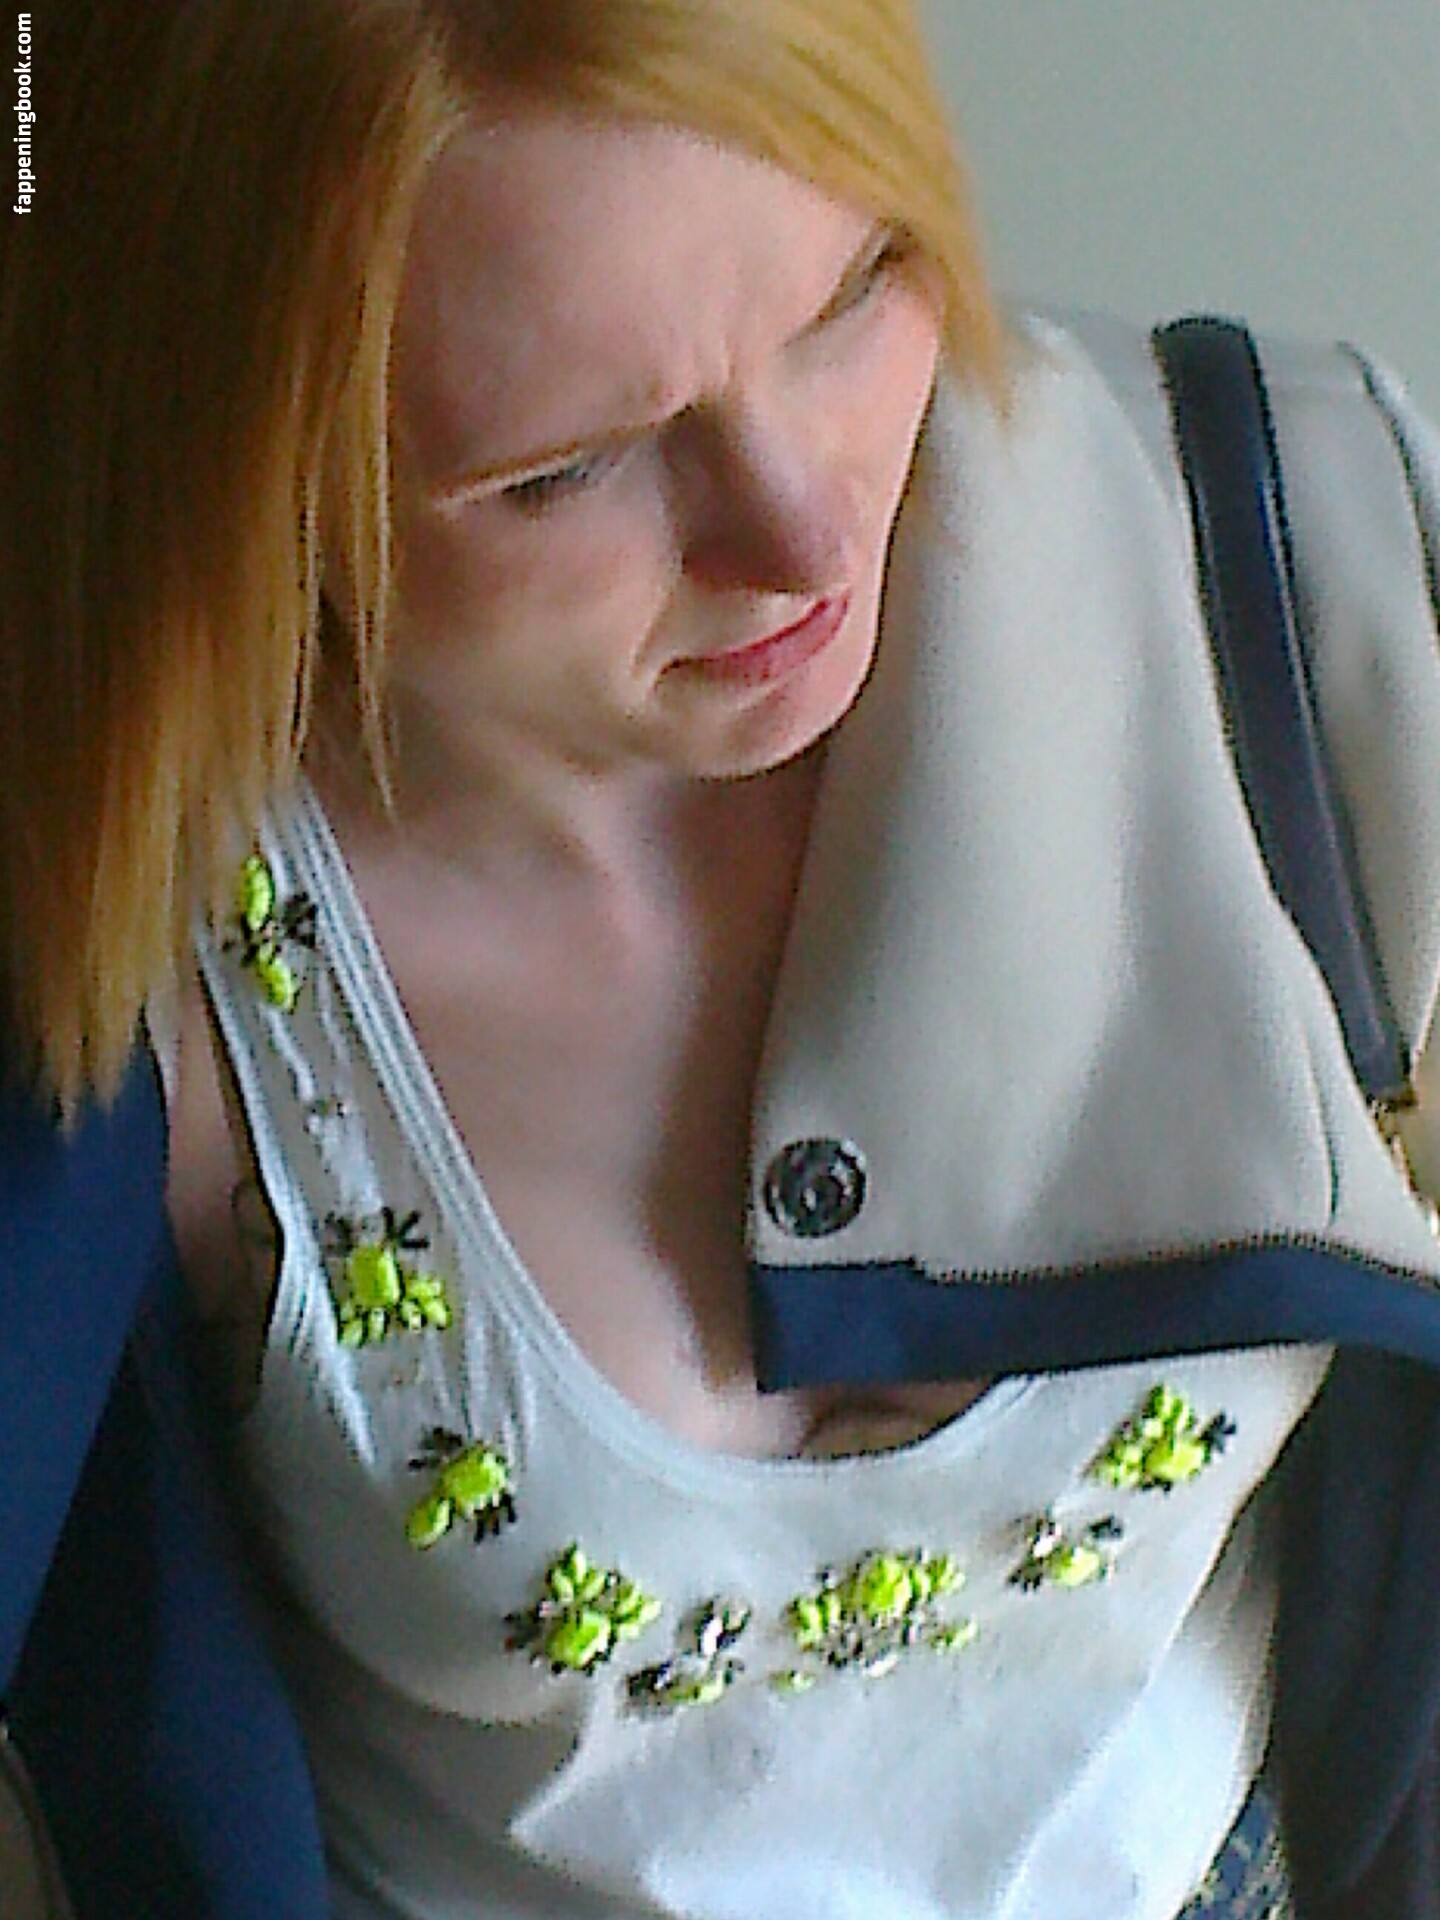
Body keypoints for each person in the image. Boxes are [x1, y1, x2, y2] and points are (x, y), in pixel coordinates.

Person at [8, 2, 1440, 1916]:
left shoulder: (1280, 560)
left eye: (849, 299)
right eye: (566, 471)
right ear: (240, 468)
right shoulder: (145, 951)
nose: (801, 529)